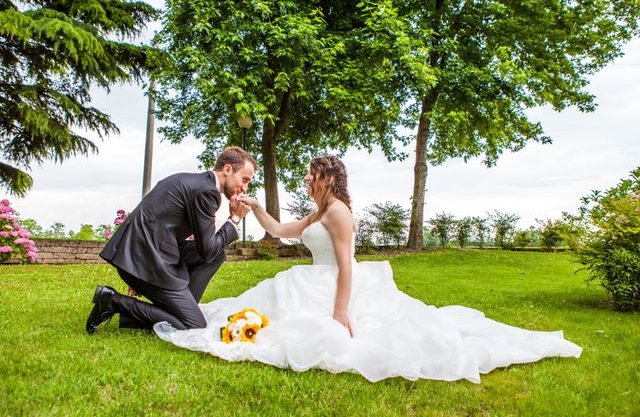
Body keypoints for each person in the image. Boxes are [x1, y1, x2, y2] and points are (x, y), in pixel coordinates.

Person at [154, 156, 581, 383]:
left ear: (326, 178)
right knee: (270, 300)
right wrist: (256, 207)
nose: (305, 179)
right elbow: (283, 232)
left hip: (336, 283)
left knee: (309, 325)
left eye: (310, 174)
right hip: (311, 278)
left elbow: (345, 266)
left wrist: (341, 312)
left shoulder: (338, 213)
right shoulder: (319, 209)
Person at [86, 146, 256, 334]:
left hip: (146, 253)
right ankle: (113, 301)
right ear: (227, 169)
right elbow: (207, 249)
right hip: (145, 259)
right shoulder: (206, 192)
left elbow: (207, 250)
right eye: (245, 180)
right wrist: (235, 219)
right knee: (194, 325)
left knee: (217, 256)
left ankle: (179, 309)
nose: (245, 188)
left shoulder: (192, 181)